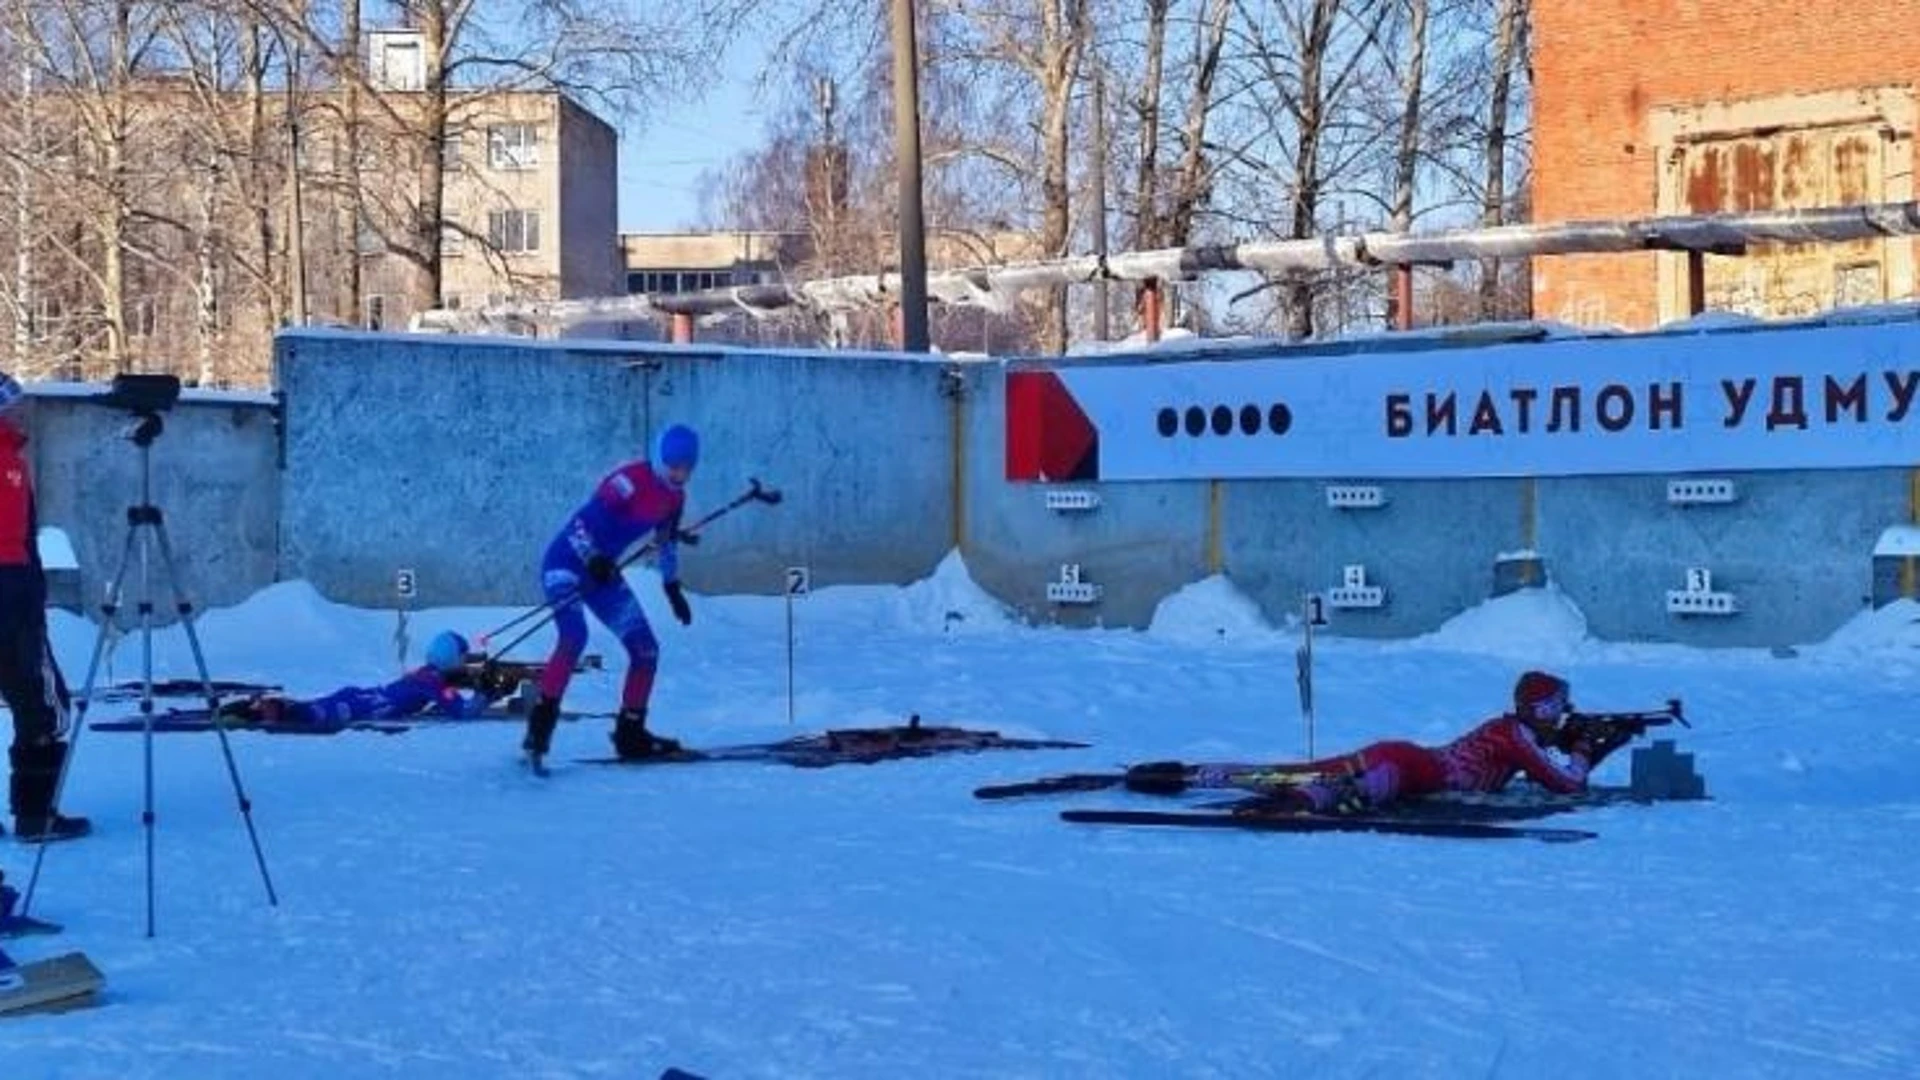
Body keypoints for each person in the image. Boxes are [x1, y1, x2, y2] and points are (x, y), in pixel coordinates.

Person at [521, 425, 698, 765]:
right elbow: (579, 524)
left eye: (687, 467)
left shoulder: (675, 498)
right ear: (660, 458)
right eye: (674, 465)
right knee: (574, 637)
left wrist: (671, 586)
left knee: (646, 650)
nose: (679, 474)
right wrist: (593, 558)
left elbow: (666, 542)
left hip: (602, 573)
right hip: (565, 564)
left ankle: (631, 734)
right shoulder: (628, 481)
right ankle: (539, 729)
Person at [1238, 671, 1628, 815]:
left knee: (1302, 772)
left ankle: (1197, 775)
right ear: (1541, 709)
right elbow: (1567, 784)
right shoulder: (1518, 736)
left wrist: (1589, 746)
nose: (1564, 712)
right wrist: (1583, 748)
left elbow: (1553, 773)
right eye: (1558, 705)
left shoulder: (1511, 729)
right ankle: (1289, 803)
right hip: (1410, 769)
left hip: (1407, 760)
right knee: (1345, 792)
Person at [0, 372, 90, 843]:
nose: (22, 411)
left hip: (17, 586)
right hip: (9, 594)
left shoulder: (14, 455)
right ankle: (35, 817)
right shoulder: (5, 458)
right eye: (13, 405)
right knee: (44, 706)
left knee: (34, 702)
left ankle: (33, 811)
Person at [222, 631, 503, 729]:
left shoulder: (425, 675)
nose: (465, 662)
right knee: (303, 716)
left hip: (360, 697)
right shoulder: (432, 682)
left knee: (307, 709)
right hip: (361, 708)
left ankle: (249, 709)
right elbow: (461, 712)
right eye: (463, 657)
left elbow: (446, 695)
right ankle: (259, 712)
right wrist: (488, 694)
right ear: (452, 658)